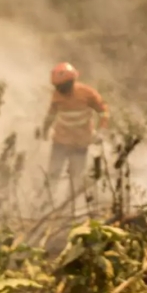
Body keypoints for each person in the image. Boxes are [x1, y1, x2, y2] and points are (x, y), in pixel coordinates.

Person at [41, 62, 109, 202]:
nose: (60, 90)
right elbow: (51, 115)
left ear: (71, 82)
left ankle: (69, 207)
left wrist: (101, 131)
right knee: (53, 174)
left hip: (80, 143)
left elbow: (103, 112)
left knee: (76, 177)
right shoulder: (56, 96)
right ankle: (46, 203)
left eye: (63, 87)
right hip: (60, 141)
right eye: (57, 87)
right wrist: (44, 130)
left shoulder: (87, 93)